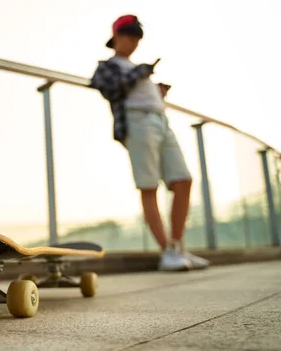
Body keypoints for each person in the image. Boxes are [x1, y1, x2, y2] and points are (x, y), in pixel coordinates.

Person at [89, 14, 209, 271]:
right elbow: (105, 87)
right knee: (148, 186)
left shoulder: (135, 69)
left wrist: (156, 90)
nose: (133, 42)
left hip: (160, 120)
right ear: (116, 38)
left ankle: (178, 247)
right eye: (129, 36)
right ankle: (167, 251)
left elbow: (133, 86)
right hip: (137, 123)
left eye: (137, 37)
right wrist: (141, 73)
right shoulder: (108, 66)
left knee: (183, 180)